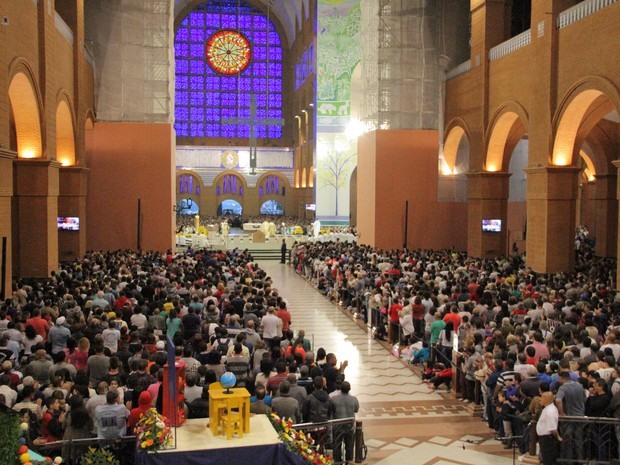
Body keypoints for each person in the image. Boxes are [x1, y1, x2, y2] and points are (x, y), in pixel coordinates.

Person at [331, 381, 359, 465]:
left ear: (340, 389)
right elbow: (356, 409)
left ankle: (338, 462)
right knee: (349, 446)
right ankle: (349, 462)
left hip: (337, 426)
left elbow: (332, 410)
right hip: (349, 426)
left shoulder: (334, 399)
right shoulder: (354, 399)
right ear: (349, 389)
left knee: (337, 445)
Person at [536, 391, 561, 465]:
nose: (540, 400)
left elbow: (553, 429)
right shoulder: (547, 408)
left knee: (549, 460)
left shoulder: (550, 411)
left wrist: (558, 437)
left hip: (548, 439)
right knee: (546, 459)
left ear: (546, 399)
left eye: (542, 398)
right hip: (544, 439)